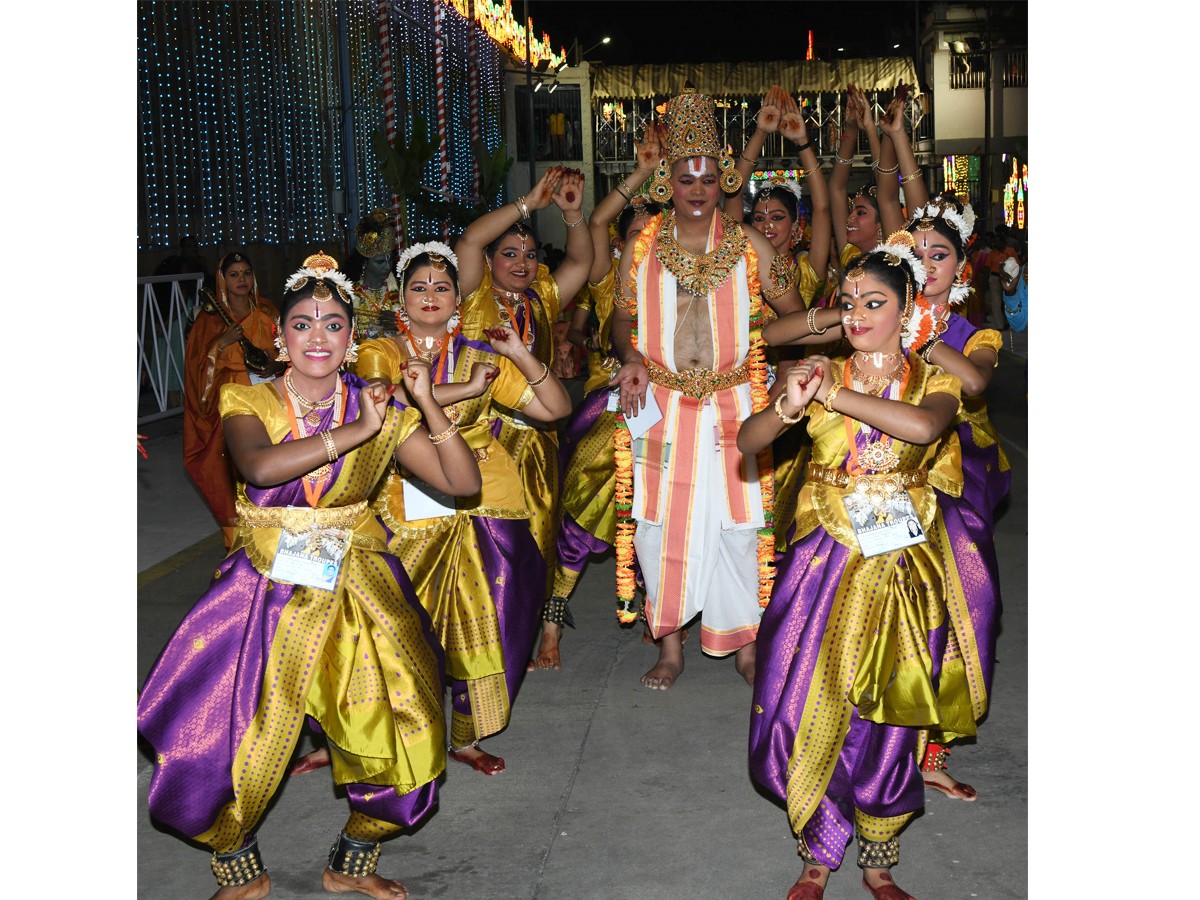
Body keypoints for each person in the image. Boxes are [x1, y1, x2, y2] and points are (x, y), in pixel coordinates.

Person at [138, 252, 482, 900]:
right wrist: (356, 432)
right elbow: (261, 468)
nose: (317, 337)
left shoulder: (377, 406)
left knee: (406, 720)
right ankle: (240, 871)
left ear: (353, 341)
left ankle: (352, 861)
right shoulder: (250, 399)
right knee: (221, 733)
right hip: (265, 583)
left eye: (332, 325)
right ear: (279, 337)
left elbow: (461, 484)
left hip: (359, 584)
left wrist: (430, 405)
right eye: (301, 324)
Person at [741, 234, 965, 900]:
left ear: (906, 309)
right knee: (806, 699)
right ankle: (817, 851)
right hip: (824, 563)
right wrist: (786, 405)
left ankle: (877, 860)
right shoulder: (815, 369)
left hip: (900, 569)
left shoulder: (935, 380)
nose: (859, 315)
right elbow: (747, 441)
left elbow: (923, 431)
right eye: (849, 303)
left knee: (890, 712)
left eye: (874, 302)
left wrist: (831, 397)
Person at [610, 86, 808, 691]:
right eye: (685, 176)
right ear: (668, 178)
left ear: (722, 178)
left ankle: (743, 642)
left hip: (736, 401)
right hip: (660, 403)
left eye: (707, 177)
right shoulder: (641, 246)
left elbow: (792, 312)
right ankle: (670, 645)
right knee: (655, 524)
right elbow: (619, 319)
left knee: (739, 523)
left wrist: (802, 362)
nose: (697, 188)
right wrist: (632, 356)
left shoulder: (753, 245)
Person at [356, 243, 572, 776]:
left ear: (459, 298)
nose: (430, 296)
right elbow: (394, 402)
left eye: (442, 287)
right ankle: (392, 728)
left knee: (498, 612)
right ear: (400, 298)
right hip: (411, 489)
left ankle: (467, 733)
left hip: (485, 493)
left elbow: (555, 408)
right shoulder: (379, 350)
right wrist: (470, 389)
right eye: (419, 287)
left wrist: (519, 353)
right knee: (403, 619)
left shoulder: (482, 352)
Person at [537, 123, 666, 670]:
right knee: (583, 501)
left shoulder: (684, 275)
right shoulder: (608, 272)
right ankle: (551, 625)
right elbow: (593, 222)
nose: (644, 233)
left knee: (658, 508)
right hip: (607, 400)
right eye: (636, 225)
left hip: (671, 404)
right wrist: (640, 172)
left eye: (654, 227)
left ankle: (659, 609)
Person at [456, 166, 595, 643]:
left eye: (531, 255)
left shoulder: (540, 299)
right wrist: (526, 205)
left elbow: (579, 264)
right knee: (488, 539)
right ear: (491, 260)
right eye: (510, 253)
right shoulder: (472, 298)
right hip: (484, 435)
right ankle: (484, 632)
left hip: (537, 438)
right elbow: (470, 242)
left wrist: (573, 214)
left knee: (539, 533)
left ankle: (533, 630)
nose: (521, 263)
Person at [908, 195, 1010, 799]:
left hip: (958, 484)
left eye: (940, 253)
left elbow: (974, 381)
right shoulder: (879, 311)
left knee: (968, 607)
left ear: (961, 268)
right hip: (886, 481)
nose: (927, 262)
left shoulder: (977, 333)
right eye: (916, 251)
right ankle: (881, 741)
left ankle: (934, 749)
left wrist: (921, 337)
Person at [182, 250, 282, 549]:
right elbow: (197, 369)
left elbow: (285, 352)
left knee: (274, 466)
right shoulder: (208, 320)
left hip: (270, 399)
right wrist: (221, 344)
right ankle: (238, 542)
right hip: (230, 403)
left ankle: (274, 532)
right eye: (234, 274)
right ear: (222, 279)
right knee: (227, 467)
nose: (242, 279)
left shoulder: (267, 311)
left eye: (247, 273)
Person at [345, 209, 402, 340]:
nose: (387, 266)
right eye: (380, 261)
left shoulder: (402, 291)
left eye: (390, 259)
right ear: (364, 263)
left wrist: (402, 323)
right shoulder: (348, 294)